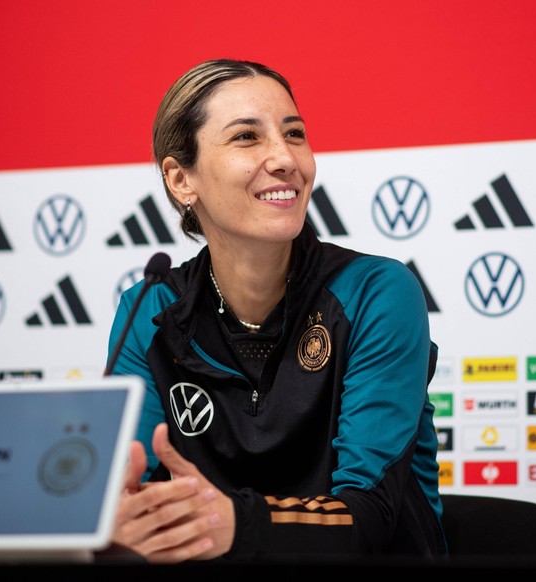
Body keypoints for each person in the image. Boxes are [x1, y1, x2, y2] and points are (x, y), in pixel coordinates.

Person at [106, 58, 447, 563]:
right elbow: (125, 499)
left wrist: (233, 523)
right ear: (181, 179)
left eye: (295, 134)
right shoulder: (150, 309)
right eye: (247, 137)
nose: (286, 158)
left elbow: (371, 515)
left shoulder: (376, 291)